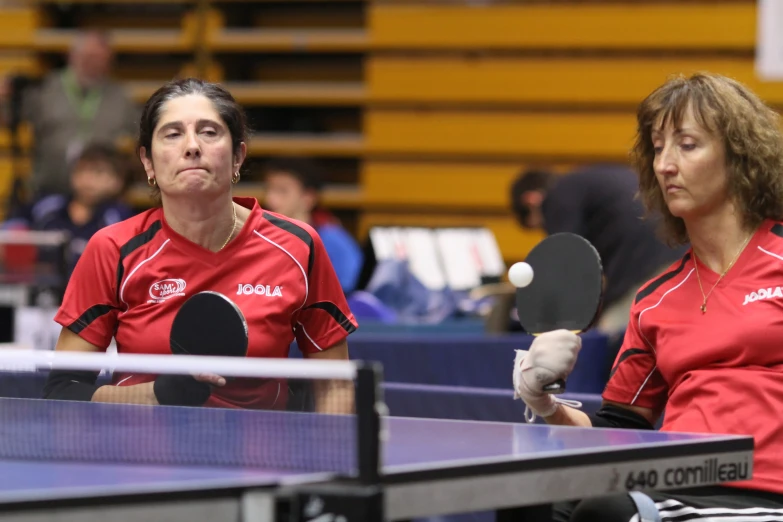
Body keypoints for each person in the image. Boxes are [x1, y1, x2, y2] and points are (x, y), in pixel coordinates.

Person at [513, 72, 783, 521]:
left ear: (739, 157)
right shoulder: (656, 298)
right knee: (530, 496)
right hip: (675, 488)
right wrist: (544, 400)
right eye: (658, 148)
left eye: (687, 144)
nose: (665, 165)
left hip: (766, 495)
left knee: (605, 513)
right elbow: (619, 430)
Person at [41, 78, 358, 413]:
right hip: (138, 456)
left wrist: (331, 461)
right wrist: (158, 393)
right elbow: (63, 392)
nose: (192, 146)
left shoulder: (298, 247)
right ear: (147, 162)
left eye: (209, 132)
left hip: (264, 458)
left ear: (238, 156)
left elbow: (334, 384)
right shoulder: (113, 249)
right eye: (173, 134)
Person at [510, 164, 687, 337]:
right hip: (684, 255)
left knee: (611, 344)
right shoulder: (594, 182)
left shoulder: (557, 196)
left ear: (531, 200)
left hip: (647, 268)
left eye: (542, 223)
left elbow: (564, 265)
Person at [0, 30, 138, 196]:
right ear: (72, 56)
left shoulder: (119, 96)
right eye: (88, 57)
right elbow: (7, 119)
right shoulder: (45, 88)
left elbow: (139, 135)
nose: (94, 64)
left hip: (101, 195)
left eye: (101, 59)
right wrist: (4, 99)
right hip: (49, 188)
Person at [1, 142, 134, 277]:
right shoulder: (47, 206)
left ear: (117, 181)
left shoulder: (120, 218)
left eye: (98, 172)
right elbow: (9, 230)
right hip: (41, 288)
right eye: (81, 170)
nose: (87, 179)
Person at [262, 156, 363, 294]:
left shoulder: (332, 238)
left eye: (282, 191)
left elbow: (351, 291)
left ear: (308, 198)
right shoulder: (259, 236)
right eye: (269, 189)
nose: (270, 199)